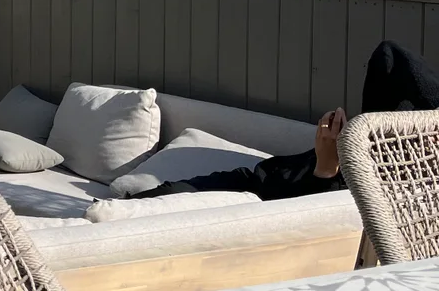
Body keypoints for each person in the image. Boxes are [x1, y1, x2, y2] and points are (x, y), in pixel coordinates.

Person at [129, 40, 439, 202]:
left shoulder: (256, 183)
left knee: (390, 57)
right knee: (390, 57)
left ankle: (139, 200)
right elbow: (327, 214)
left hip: (330, 166)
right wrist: (327, 166)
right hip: (354, 169)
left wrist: (327, 160)